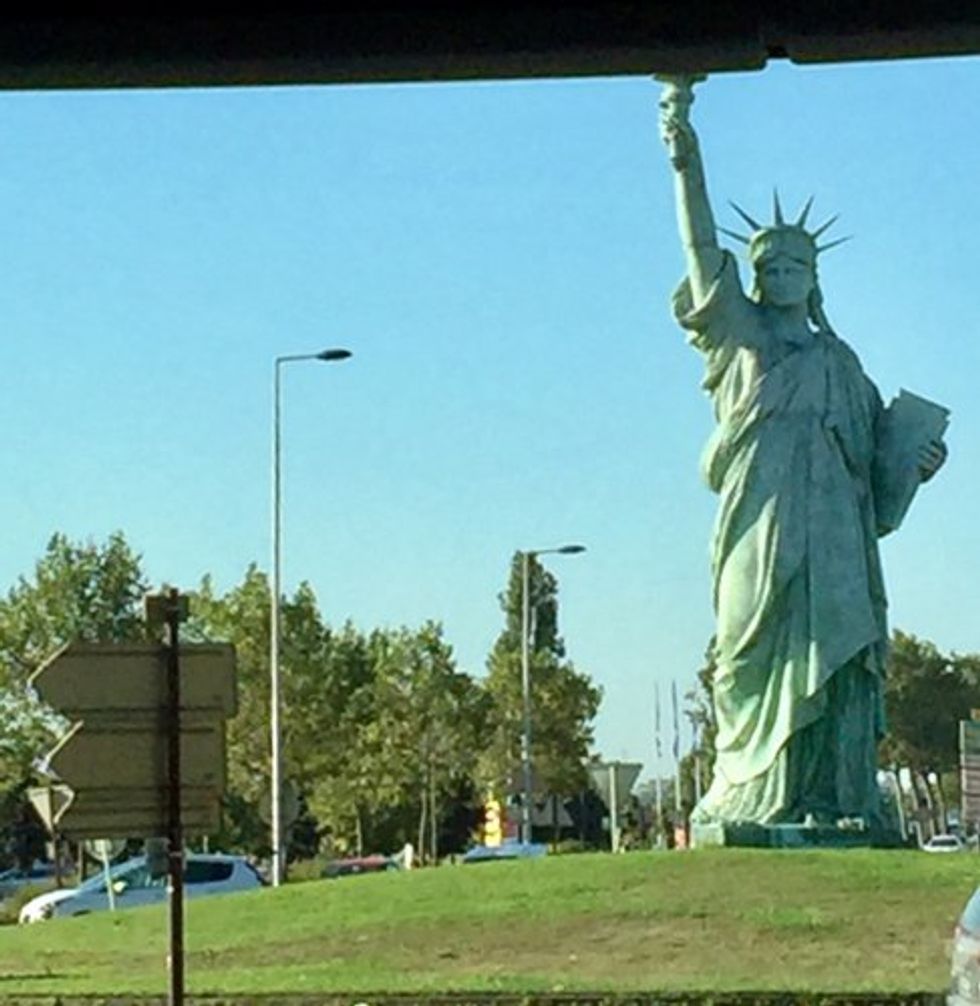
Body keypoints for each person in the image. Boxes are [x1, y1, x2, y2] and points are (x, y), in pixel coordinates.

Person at [657, 75, 947, 828]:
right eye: (770, 267)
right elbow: (699, 246)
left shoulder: (843, 364)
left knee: (838, 657)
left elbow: (877, 485)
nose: (781, 276)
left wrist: (915, 467)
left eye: (795, 267)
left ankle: (836, 797)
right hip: (759, 524)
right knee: (746, 648)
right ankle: (750, 791)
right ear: (754, 278)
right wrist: (684, 153)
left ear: (814, 280)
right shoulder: (738, 335)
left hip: (838, 541)